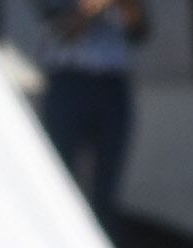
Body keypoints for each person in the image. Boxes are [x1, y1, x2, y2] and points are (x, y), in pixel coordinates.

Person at [34, 0, 148, 223]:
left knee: (106, 190)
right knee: (60, 183)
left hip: (112, 85)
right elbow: (63, 31)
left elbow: (140, 31)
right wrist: (93, 7)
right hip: (68, 84)